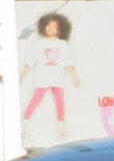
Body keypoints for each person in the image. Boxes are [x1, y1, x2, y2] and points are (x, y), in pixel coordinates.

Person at [21, 12, 80, 142]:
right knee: (35, 101)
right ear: (43, 28)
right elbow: (31, 60)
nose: (50, 29)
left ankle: (60, 128)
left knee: (60, 103)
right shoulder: (40, 44)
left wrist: (74, 77)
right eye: (48, 26)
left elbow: (69, 62)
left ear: (59, 30)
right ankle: (23, 126)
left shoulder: (62, 44)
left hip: (57, 79)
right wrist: (22, 76)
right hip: (42, 78)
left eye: (54, 26)